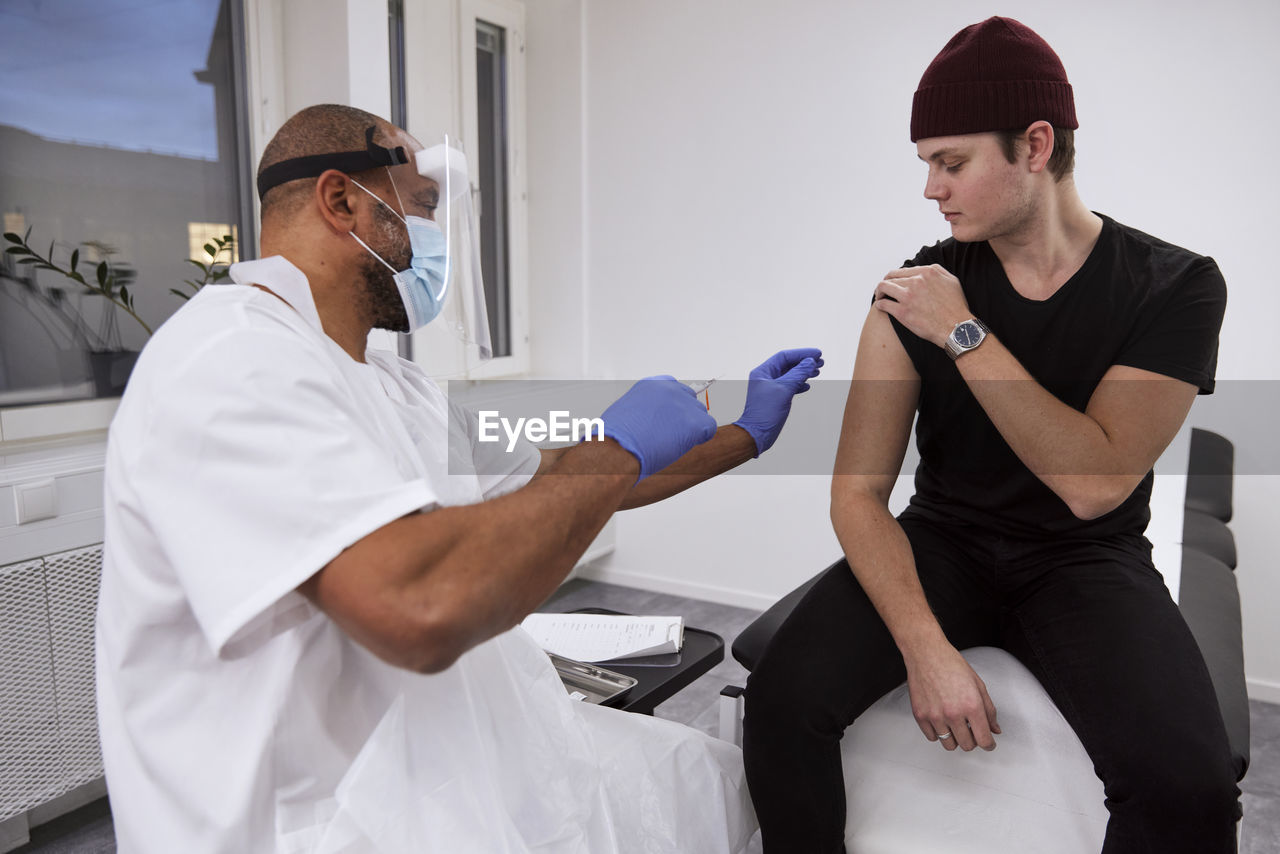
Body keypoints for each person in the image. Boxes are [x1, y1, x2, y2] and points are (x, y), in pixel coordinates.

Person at [95, 103, 822, 853]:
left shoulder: (392, 385)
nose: (435, 242)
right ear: (341, 200)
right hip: (314, 820)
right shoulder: (230, 361)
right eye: (424, 208)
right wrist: (619, 449)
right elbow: (418, 603)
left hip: (443, 759)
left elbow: (555, 486)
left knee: (706, 776)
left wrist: (744, 434)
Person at [742, 16, 1238, 853]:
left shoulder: (1175, 286)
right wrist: (925, 647)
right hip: (946, 541)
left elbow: (1095, 483)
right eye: (927, 164)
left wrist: (964, 333)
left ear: (1036, 146)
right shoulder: (913, 291)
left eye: (952, 162)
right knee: (782, 703)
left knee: (1189, 789)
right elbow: (857, 491)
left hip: (1085, 560)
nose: (932, 190)